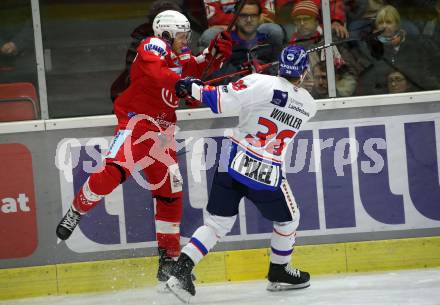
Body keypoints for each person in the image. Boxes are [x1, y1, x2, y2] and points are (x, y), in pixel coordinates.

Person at [55, 10, 232, 288]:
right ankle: (78, 209)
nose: (186, 41)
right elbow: (157, 73)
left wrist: (214, 56)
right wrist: (182, 82)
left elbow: (192, 77)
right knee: (112, 172)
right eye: (182, 36)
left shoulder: (180, 55)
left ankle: (168, 261)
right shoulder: (153, 45)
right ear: (166, 33)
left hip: (162, 134)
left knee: (170, 192)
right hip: (137, 123)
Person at [165, 45, 316, 303]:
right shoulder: (310, 105)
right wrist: (254, 81)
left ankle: (181, 271)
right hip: (266, 170)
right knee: (289, 220)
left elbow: (219, 102)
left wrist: (191, 86)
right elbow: (279, 97)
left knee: (217, 223)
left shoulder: (260, 82)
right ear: (302, 74)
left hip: (232, 157)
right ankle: (279, 270)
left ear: (280, 66)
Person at [207, 0, 283, 84]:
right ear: (235, 17)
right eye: (244, 16)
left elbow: (279, 74)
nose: (249, 20)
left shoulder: (270, 44)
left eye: (253, 16)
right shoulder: (225, 45)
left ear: (259, 17)